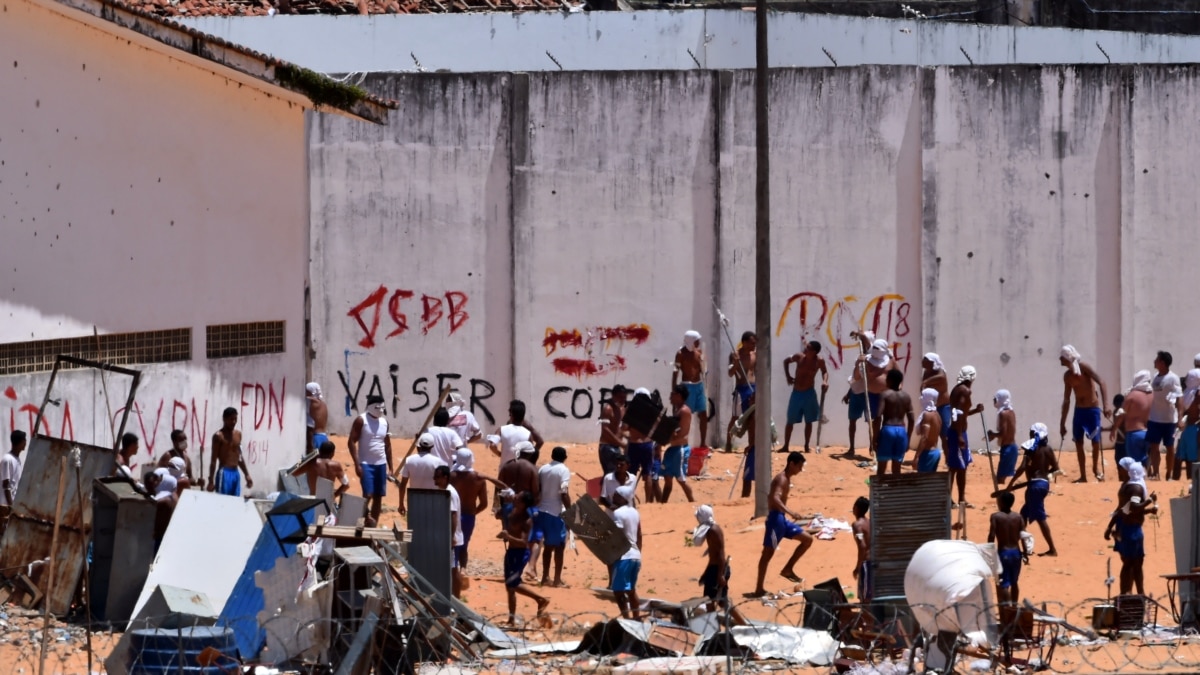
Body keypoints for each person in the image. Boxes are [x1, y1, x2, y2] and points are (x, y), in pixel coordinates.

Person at [749, 452, 813, 597]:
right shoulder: (781, 479)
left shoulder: (786, 479)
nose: (800, 470)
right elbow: (774, 498)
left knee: (807, 539)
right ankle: (759, 588)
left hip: (782, 520)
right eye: (799, 466)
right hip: (775, 520)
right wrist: (791, 512)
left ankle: (788, 569)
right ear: (792, 464)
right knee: (767, 554)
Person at [1058, 345, 1111, 483]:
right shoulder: (1067, 376)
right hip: (1079, 411)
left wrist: (1106, 405)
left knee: (1095, 442)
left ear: (1068, 357)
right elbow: (1067, 400)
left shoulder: (1083, 367)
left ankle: (1095, 468)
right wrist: (1062, 423)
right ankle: (1083, 476)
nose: (1060, 360)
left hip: (1092, 410)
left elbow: (1101, 382)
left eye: (1062, 357)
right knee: (1078, 442)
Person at [1105, 458, 1157, 595]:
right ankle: (1128, 593)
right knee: (1131, 564)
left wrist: (1110, 527)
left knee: (1134, 563)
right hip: (1132, 531)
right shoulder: (1136, 488)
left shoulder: (1127, 486)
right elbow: (1133, 507)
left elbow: (1124, 510)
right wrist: (1149, 501)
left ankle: (1135, 592)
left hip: (1127, 528)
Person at [496, 491, 550, 625]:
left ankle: (540, 599)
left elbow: (524, 542)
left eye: (518, 499)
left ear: (524, 504)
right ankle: (511, 619)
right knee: (509, 587)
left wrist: (508, 537)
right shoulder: (512, 511)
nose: (515, 499)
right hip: (510, 552)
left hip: (520, 553)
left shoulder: (527, 520)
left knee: (513, 583)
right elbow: (498, 515)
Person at [1005, 423, 1058, 557]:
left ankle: (1052, 549)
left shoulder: (1031, 449)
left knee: (1040, 517)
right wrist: (1045, 473)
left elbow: (1023, 467)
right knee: (1023, 515)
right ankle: (1013, 546)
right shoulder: (1048, 449)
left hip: (1034, 486)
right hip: (1044, 485)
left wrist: (1011, 483)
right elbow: (1056, 468)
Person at [349, 395, 392, 526]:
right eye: (377, 407)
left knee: (378, 496)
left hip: (381, 464)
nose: (380, 410)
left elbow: (388, 445)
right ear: (370, 406)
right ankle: (358, 520)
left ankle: (373, 525)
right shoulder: (361, 420)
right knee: (367, 495)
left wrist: (391, 467)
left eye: (382, 407)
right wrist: (357, 464)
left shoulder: (385, 423)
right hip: (366, 464)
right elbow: (351, 442)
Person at [850, 334, 897, 455]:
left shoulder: (891, 360)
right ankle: (873, 444)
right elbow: (856, 377)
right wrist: (857, 364)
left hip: (887, 395)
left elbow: (898, 374)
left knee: (888, 420)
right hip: (873, 395)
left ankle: (885, 444)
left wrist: (898, 388)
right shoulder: (866, 360)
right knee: (874, 421)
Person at [782, 341, 829, 454]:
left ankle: (806, 446)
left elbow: (825, 372)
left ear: (814, 352)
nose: (805, 349)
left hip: (809, 393)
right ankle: (786, 446)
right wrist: (788, 376)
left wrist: (824, 381)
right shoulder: (799, 357)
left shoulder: (819, 361)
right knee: (790, 420)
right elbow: (786, 361)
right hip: (797, 392)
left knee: (809, 420)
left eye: (808, 348)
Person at [534, 446, 572, 587]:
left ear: (552, 455)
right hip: (556, 513)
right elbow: (563, 492)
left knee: (548, 547)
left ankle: (545, 577)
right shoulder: (564, 470)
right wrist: (570, 510)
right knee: (560, 547)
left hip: (542, 511)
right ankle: (557, 580)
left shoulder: (543, 469)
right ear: (565, 457)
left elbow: (538, 489)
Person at [450, 448, 491, 572]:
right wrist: (474, 512)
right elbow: (484, 504)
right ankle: (463, 569)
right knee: (464, 543)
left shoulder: (451, 476)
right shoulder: (479, 478)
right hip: (469, 516)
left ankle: (454, 569)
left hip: (452, 515)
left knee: (453, 544)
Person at [947, 366, 983, 505]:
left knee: (961, 467)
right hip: (958, 433)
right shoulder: (964, 391)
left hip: (959, 431)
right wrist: (959, 435)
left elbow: (962, 412)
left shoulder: (958, 389)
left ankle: (961, 498)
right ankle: (950, 499)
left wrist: (975, 411)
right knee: (955, 467)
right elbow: (958, 413)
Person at [609, 485, 643, 619]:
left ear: (623, 498)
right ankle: (636, 617)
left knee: (618, 591)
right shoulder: (634, 512)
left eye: (617, 495)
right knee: (631, 590)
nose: (614, 497)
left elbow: (616, 534)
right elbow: (639, 534)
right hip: (635, 556)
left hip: (624, 557)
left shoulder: (618, 513)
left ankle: (627, 619)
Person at [432, 465, 466, 597]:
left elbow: (453, 515)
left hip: (452, 537)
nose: (435, 479)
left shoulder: (449, 493)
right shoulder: (444, 490)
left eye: (438, 477)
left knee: (453, 569)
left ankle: (456, 599)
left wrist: (451, 537)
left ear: (445, 478)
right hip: (446, 536)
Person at [1148, 351, 1183, 480]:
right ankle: (1156, 472)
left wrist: (1179, 418)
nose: (1154, 361)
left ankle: (1169, 473)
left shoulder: (1173, 378)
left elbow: (1179, 398)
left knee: (1169, 448)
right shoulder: (1155, 377)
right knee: (1154, 447)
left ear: (1162, 362)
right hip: (1154, 418)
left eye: (1156, 359)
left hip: (1169, 420)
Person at [988, 491, 1026, 604]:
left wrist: (990, 551)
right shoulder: (1019, 517)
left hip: (1003, 553)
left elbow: (992, 535)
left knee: (1004, 583)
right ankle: (1014, 607)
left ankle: (1008, 610)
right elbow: (1023, 535)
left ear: (1002, 503)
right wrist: (1025, 552)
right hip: (1016, 552)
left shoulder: (995, 516)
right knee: (1014, 582)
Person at [397, 433, 448, 516]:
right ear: (432, 446)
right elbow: (443, 485)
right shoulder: (438, 462)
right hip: (433, 500)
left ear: (419, 445)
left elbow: (403, 484)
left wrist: (401, 504)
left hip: (414, 500)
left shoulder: (409, 460)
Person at [623, 388, 660, 504]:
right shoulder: (652, 411)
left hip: (634, 445)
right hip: (647, 445)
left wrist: (630, 434)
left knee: (630, 474)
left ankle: (629, 499)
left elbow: (624, 428)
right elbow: (659, 427)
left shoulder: (631, 410)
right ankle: (648, 501)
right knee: (647, 474)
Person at [661, 384, 696, 503]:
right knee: (667, 478)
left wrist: (666, 437)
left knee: (681, 479)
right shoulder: (677, 410)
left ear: (679, 396)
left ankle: (692, 502)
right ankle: (663, 504)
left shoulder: (684, 411)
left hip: (679, 449)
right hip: (673, 448)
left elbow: (680, 433)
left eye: (673, 394)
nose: (670, 397)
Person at [673, 330, 709, 446]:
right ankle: (682, 442)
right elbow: (675, 372)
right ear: (691, 341)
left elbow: (703, 370)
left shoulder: (699, 353)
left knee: (703, 414)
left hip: (698, 385)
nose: (698, 342)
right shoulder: (680, 353)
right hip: (686, 387)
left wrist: (703, 362)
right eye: (696, 340)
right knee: (685, 416)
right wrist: (674, 390)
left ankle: (703, 443)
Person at [208, 408, 253, 497]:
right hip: (224, 473)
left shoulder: (238, 434)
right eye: (231, 419)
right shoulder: (218, 436)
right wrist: (211, 481)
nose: (233, 422)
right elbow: (213, 460)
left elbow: (239, 456)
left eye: (235, 419)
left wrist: (247, 474)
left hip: (235, 473)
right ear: (224, 419)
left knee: (235, 502)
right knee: (223, 502)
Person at [876, 370, 913, 475]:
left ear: (890, 381)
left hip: (888, 429)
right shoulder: (906, 396)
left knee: (881, 467)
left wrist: (875, 437)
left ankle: (881, 490)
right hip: (901, 431)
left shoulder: (885, 395)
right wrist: (908, 438)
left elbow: (878, 416)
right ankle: (895, 490)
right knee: (897, 469)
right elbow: (911, 419)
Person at [498, 441, 539, 528]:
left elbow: (499, 488)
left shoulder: (506, 466)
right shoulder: (532, 469)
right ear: (530, 454)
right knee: (522, 538)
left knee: (509, 535)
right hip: (524, 508)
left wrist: (500, 508)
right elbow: (535, 492)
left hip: (508, 505)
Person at [489, 400, 544, 465]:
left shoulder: (525, 425)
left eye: (509, 410)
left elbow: (540, 441)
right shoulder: (512, 425)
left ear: (511, 413)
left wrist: (528, 456)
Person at [729, 391, 761, 498]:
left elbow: (758, 432)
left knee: (747, 478)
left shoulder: (755, 413)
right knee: (755, 477)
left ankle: (745, 499)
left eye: (752, 397)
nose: (749, 399)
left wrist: (751, 445)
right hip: (756, 448)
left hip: (755, 449)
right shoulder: (753, 413)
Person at [727, 332, 757, 444]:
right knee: (735, 417)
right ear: (744, 342)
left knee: (753, 417)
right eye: (752, 343)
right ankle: (728, 443)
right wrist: (735, 363)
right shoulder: (735, 355)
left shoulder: (755, 355)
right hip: (741, 389)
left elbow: (756, 371)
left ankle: (752, 443)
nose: (754, 345)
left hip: (753, 388)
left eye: (755, 343)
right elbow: (730, 373)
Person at [1123, 371, 1153, 468]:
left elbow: (1121, 413)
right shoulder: (1152, 395)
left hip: (1134, 432)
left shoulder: (1132, 395)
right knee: (1145, 459)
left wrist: (1114, 428)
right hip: (1148, 432)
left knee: (1134, 463)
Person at [1175, 369, 1200, 481]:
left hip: (1188, 427)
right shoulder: (1197, 393)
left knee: (1188, 457)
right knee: (1195, 456)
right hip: (1196, 427)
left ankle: (1190, 478)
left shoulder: (1185, 393)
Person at [0, 431, 26, 538]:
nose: (25, 442)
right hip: (4, 506)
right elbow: (6, 485)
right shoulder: (7, 460)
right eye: (24, 440)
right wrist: (10, 506)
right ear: (20, 442)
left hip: (11, 506)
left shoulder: (17, 460)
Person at [988, 390, 1019, 482]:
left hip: (1007, 449)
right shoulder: (1011, 412)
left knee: (1000, 480)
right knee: (1001, 479)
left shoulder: (1003, 414)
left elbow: (1003, 433)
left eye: (995, 399)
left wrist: (993, 434)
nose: (994, 401)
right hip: (1012, 448)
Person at [598, 385, 629, 475]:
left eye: (624, 397)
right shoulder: (608, 409)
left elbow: (621, 429)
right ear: (613, 396)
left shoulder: (622, 409)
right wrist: (621, 443)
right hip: (607, 447)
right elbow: (605, 429)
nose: (622, 400)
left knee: (617, 474)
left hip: (617, 447)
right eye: (620, 397)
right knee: (611, 475)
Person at [915, 388, 943, 472]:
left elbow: (924, 438)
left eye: (922, 396)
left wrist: (916, 457)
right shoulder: (937, 415)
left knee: (922, 481)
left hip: (928, 453)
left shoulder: (927, 415)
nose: (920, 398)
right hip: (935, 452)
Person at [851, 496, 872, 603]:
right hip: (876, 561)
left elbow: (862, 546)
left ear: (856, 508)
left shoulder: (857, 525)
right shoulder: (870, 522)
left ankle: (866, 618)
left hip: (866, 563)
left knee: (865, 597)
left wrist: (858, 567)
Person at [306, 382, 329, 453]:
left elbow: (310, 426)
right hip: (324, 436)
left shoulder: (312, 403)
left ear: (311, 392)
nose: (305, 393)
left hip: (316, 437)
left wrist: (310, 446)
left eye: (307, 391)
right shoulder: (323, 404)